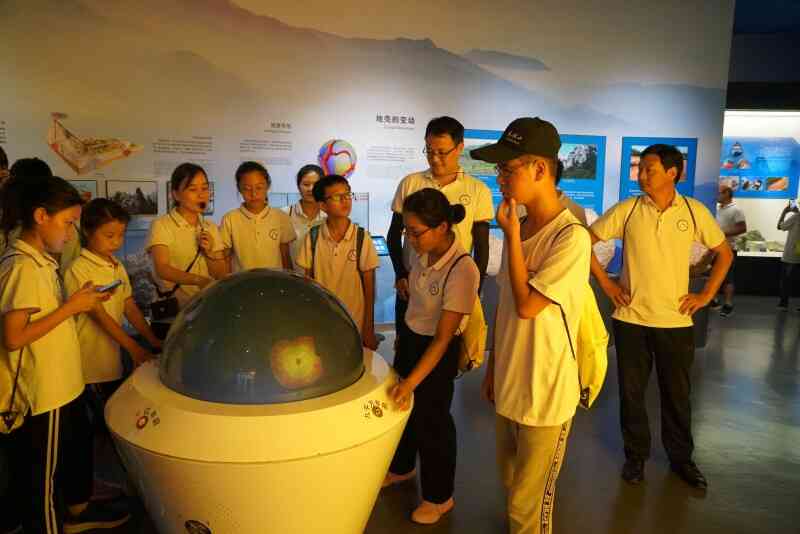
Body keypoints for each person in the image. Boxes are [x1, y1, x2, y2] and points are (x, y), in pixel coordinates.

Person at [589, 144, 732, 490]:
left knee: (677, 395)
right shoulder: (627, 209)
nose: (641, 175)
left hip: (676, 321)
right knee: (632, 394)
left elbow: (724, 253)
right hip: (631, 319)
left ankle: (681, 459)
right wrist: (607, 284)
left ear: (673, 173)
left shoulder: (694, 211)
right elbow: (585, 241)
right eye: (640, 169)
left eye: (648, 169)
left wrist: (705, 295)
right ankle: (635, 457)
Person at [471, 117, 589, 534]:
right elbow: (506, 307)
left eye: (508, 169)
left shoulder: (570, 237)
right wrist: (494, 367)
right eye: (499, 169)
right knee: (509, 482)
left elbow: (527, 306)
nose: (500, 179)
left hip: (546, 389)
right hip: (511, 378)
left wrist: (512, 236)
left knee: (528, 503)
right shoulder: (519, 227)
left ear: (540, 169)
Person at [0, 173, 129, 534]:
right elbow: (14, 337)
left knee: (51, 471)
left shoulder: (39, 260)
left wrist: (77, 302)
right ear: (41, 216)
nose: (72, 234)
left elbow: (44, 319)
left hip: (60, 388)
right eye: (68, 223)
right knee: (41, 487)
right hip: (45, 394)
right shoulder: (23, 266)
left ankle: (73, 509)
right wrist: (73, 307)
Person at [382, 188, 479, 525]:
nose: (409, 239)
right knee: (404, 411)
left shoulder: (462, 269)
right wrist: (403, 342)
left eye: (415, 232)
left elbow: (442, 338)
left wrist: (411, 381)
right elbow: (415, 307)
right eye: (406, 232)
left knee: (433, 422)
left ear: (441, 227)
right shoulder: (421, 253)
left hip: (437, 350)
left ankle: (439, 497)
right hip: (412, 340)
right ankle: (402, 467)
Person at [388, 116, 493, 343]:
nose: (434, 158)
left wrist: (474, 290)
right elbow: (394, 234)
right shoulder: (411, 183)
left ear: (460, 147)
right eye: (429, 150)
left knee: (447, 350)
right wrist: (400, 274)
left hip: (453, 289)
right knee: (407, 345)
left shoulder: (478, 190)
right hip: (412, 285)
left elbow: (481, 247)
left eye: (442, 152)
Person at [296, 175, 380, 349]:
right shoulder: (313, 237)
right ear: (322, 205)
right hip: (322, 320)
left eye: (347, 194)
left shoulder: (361, 237)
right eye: (336, 197)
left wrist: (368, 327)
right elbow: (308, 283)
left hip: (354, 321)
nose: (345, 200)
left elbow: (369, 287)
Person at [146, 163, 227, 339]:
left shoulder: (210, 227)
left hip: (204, 310)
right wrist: (199, 280)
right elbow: (162, 269)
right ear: (176, 194)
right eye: (193, 189)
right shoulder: (162, 225)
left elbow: (221, 274)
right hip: (173, 312)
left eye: (204, 188)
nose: (201, 194)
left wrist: (210, 252)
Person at [220, 161, 295, 272]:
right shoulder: (230, 219)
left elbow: (285, 256)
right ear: (239, 189)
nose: (254, 194)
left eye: (259, 187)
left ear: (267, 186)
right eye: (247, 188)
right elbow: (226, 259)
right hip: (242, 281)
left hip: (274, 280)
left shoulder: (281, 217)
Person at [285, 164, 326, 274]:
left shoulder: (329, 217)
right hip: (294, 278)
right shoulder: (285, 214)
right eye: (306, 184)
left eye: (316, 184)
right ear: (298, 186)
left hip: (322, 280)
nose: (311, 189)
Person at [712, 184, 746, 317]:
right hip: (714, 248)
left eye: (718, 192)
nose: (716, 195)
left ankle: (728, 304)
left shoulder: (736, 210)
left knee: (727, 278)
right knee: (713, 275)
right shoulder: (717, 209)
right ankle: (713, 300)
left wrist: (721, 233)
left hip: (728, 249)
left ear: (726, 193)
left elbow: (742, 228)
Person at [777, 201, 800, 311]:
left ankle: (783, 304)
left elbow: (779, 226)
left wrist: (784, 212)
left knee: (786, 280)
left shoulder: (796, 217)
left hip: (792, 254)